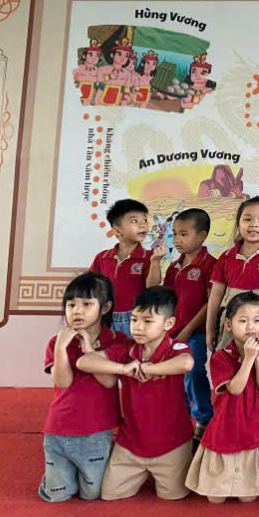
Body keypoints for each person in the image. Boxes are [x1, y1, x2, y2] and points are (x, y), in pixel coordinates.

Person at [79, 286, 195, 501]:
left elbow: (186, 363)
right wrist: (124, 368)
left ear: (168, 324)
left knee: (172, 497)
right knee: (109, 495)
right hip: (130, 444)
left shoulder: (176, 347)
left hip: (172, 443)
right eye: (134, 320)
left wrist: (149, 369)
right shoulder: (126, 348)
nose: (138, 327)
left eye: (148, 321)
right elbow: (84, 362)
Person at [184, 291, 259, 503]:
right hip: (226, 426)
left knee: (248, 498)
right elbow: (235, 388)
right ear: (228, 324)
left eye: (257, 320)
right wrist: (248, 359)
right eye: (243, 321)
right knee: (214, 499)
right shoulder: (221, 356)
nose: (250, 326)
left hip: (253, 425)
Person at [39, 272, 122, 503]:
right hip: (58, 428)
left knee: (92, 494)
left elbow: (108, 382)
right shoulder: (56, 342)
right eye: (71, 305)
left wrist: (90, 352)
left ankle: (73, 472)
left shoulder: (116, 340)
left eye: (87, 304)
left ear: (105, 308)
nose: (77, 311)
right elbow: (63, 382)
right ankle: (55, 476)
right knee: (57, 496)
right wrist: (61, 348)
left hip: (95, 430)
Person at [148, 207, 215, 441]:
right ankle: (180, 421)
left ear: (201, 236)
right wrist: (156, 262)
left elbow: (210, 303)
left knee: (194, 373)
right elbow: (158, 294)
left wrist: (187, 330)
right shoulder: (173, 266)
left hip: (195, 333)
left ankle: (204, 418)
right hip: (172, 334)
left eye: (184, 234)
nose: (177, 239)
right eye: (175, 234)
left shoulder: (210, 264)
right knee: (174, 377)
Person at [206, 197, 259, 350]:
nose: (254, 224)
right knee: (229, 359)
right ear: (238, 223)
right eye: (247, 219)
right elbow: (215, 296)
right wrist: (210, 330)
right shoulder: (226, 257)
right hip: (232, 321)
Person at [90, 199, 152, 336]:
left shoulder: (149, 257)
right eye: (134, 221)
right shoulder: (102, 257)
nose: (143, 224)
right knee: (106, 348)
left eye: (145, 220)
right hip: (105, 317)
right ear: (117, 231)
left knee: (132, 349)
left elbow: (151, 288)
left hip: (136, 318)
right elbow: (91, 288)